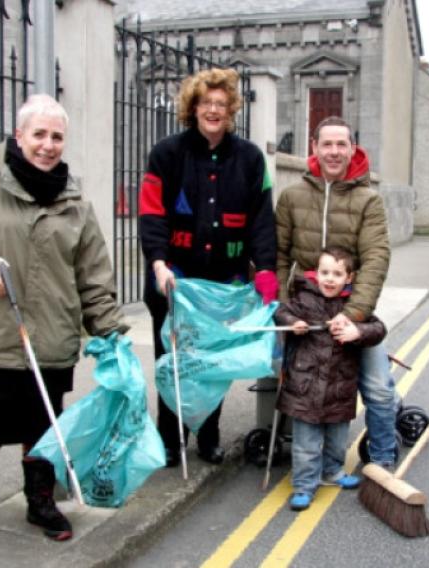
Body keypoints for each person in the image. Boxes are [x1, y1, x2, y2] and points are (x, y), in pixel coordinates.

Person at [0, 94, 128, 541]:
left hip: (53, 340)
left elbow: (93, 276)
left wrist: (110, 330)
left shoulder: (77, 205)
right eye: (39, 134)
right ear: (19, 137)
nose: (48, 144)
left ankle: (39, 503)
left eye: (57, 136)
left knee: (44, 427)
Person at [139, 67, 277, 467]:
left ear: (231, 109)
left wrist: (264, 268)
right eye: (206, 102)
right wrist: (159, 263)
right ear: (193, 107)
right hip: (175, 280)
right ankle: (170, 438)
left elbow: (262, 219)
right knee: (176, 360)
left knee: (214, 362)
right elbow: (152, 215)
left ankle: (209, 436)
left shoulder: (250, 158)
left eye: (221, 103)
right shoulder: (166, 154)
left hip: (225, 284)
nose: (213, 110)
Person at [275, 116, 398, 467]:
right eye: (326, 144)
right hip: (306, 310)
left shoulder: (368, 200)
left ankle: (383, 460)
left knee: (376, 387)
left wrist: (354, 316)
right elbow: (280, 255)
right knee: (296, 383)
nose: (333, 151)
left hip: (351, 308)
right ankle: (308, 460)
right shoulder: (291, 196)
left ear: (352, 149)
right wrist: (287, 309)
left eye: (341, 144)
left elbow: (376, 259)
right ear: (314, 148)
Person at [276, 247, 386, 511]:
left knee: (337, 438)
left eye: (337, 274)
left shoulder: (354, 307)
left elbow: (378, 329)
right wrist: (293, 322)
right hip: (305, 387)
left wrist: (357, 332)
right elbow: (281, 312)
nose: (329, 279)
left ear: (349, 277)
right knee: (306, 444)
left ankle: (333, 472)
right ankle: (304, 485)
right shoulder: (304, 299)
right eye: (325, 272)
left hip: (340, 387)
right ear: (316, 273)